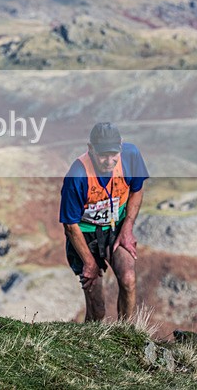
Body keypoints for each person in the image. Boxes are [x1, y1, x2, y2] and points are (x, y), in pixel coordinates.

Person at [59, 122, 149, 322]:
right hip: (84, 236)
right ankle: (91, 344)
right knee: (97, 308)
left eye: (113, 155)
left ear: (121, 147)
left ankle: (127, 335)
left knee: (128, 279)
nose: (109, 161)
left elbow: (137, 189)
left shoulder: (130, 156)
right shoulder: (77, 176)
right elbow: (70, 226)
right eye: (102, 155)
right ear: (90, 149)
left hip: (115, 229)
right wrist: (89, 263)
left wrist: (127, 228)